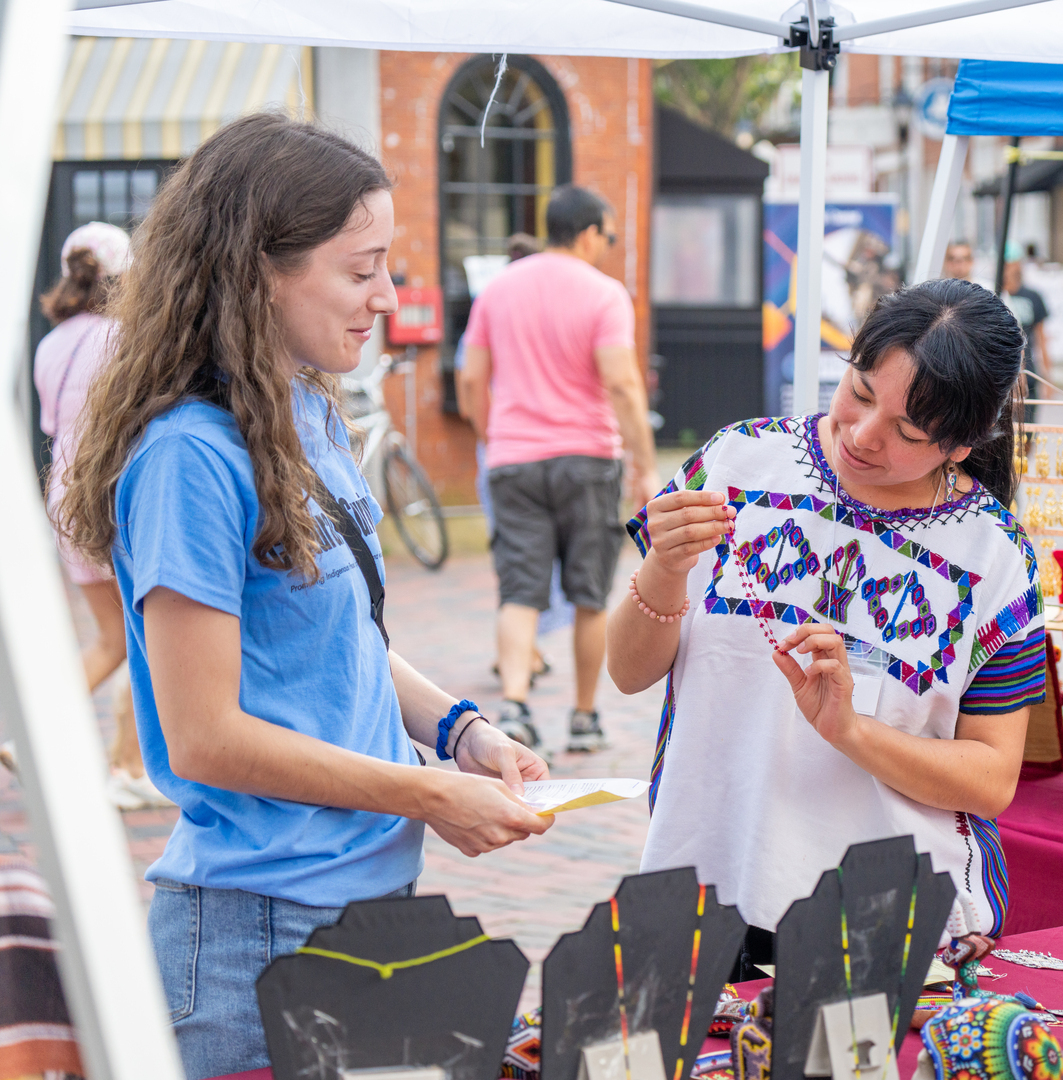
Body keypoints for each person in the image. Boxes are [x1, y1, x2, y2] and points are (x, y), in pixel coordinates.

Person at [57, 113, 553, 1080]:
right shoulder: (190, 457)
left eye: (388, 267)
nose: (387, 297)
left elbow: (344, 636)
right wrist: (428, 792)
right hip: (257, 935)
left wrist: (464, 733)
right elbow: (205, 737)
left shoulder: (302, 410)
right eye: (361, 269)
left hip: (361, 903)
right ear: (260, 272)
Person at [607, 278, 1046, 973]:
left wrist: (851, 732)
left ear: (962, 446)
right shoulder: (735, 462)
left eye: (909, 432)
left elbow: (991, 779)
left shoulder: (994, 557)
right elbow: (628, 672)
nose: (864, 436)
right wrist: (663, 567)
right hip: (704, 881)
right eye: (860, 392)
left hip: (884, 915)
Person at [459, 185, 660, 753]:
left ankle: (515, 708)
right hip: (588, 459)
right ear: (590, 233)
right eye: (609, 236)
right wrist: (644, 465)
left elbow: (470, 379)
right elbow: (622, 385)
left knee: (519, 592)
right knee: (589, 594)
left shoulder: (498, 290)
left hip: (513, 460)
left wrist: (495, 437)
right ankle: (584, 717)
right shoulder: (604, 294)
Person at [31, 222, 170, 811]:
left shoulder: (51, 343)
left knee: (113, 638)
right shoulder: (121, 337)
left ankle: (36, 740)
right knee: (145, 636)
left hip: (62, 492)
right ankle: (129, 765)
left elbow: (49, 423)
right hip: (109, 491)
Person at [455, 231, 571, 685]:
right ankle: (526, 653)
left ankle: (522, 652)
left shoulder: (491, 306)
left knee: (513, 553)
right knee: (548, 556)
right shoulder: (553, 311)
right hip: (557, 452)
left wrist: (489, 438)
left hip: (503, 453)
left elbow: (468, 384)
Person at [1000, 257, 1049, 422]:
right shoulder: (993, 294)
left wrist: (1047, 374)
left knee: (1027, 427)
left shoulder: (1032, 296)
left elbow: (1042, 337)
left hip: (1027, 369)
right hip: (1000, 373)